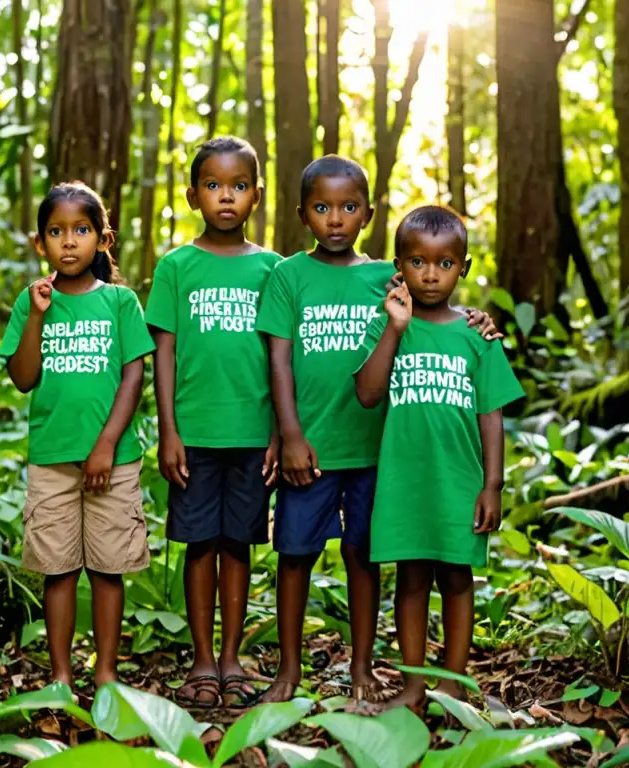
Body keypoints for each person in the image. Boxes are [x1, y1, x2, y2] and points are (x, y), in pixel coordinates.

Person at [255, 157, 500, 703]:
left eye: (348, 208)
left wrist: (480, 320)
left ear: (367, 214)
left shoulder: (388, 281)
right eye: (322, 208)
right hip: (311, 448)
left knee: (364, 557)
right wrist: (289, 433)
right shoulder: (287, 276)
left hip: (376, 455)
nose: (335, 219)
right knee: (295, 554)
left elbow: (440, 311)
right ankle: (289, 670)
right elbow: (278, 359)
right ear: (302, 215)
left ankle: (363, 666)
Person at [354, 205, 525, 712]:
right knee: (410, 581)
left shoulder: (478, 335)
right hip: (406, 483)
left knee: (455, 580)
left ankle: (453, 682)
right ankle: (412, 685)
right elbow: (366, 394)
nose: (431, 274)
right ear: (399, 267)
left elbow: (491, 414)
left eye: (445, 263)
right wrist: (394, 328)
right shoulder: (389, 324)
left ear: (464, 268)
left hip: (459, 482)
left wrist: (492, 485)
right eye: (418, 262)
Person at [145, 136, 281, 707]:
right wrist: (169, 429)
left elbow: (282, 354)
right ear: (193, 194)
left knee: (238, 545)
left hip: (254, 434)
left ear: (257, 195)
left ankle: (231, 658)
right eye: (214, 186)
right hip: (194, 434)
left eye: (239, 186)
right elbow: (165, 353)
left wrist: (279, 431)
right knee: (199, 544)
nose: (226, 197)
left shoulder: (274, 268)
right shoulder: (176, 266)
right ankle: (202, 658)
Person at [1, 182, 154, 688]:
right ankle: (62, 676)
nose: (69, 242)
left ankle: (107, 673)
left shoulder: (119, 302)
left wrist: (106, 444)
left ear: (103, 240)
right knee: (59, 571)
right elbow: (23, 378)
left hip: (113, 458)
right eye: (56, 232)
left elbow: (135, 376)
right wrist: (38, 317)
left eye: (81, 231)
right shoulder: (32, 302)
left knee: (108, 571)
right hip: (52, 458)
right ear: (39, 243)